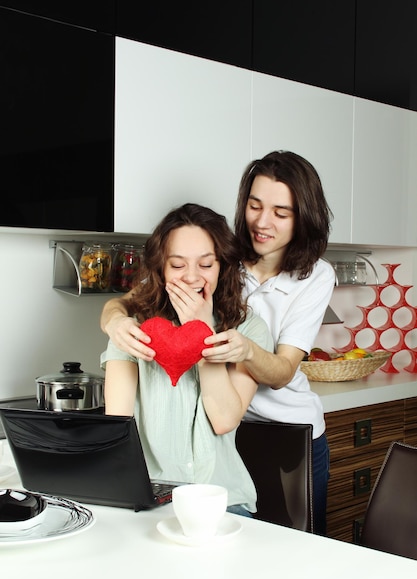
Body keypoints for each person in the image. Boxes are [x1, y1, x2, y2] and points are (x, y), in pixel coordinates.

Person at [100, 151, 335, 534]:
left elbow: (280, 372)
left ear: (302, 217)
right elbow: (131, 303)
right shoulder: (219, 249)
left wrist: (219, 339)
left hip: (282, 426)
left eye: (281, 212)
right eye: (255, 206)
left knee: (300, 546)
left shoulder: (314, 277)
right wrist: (113, 320)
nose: (262, 221)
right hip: (224, 436)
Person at [101, 202, 273, 517]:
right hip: (147, 495)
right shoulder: (132, 327)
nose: (191, 278)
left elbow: (224, 420)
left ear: (223, 267)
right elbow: (118, 428)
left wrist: (201, 332)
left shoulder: (248, 329)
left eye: (206, 265)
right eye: (177, 265)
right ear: (161, 268)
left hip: (222, 498)